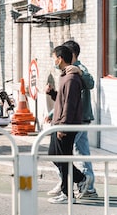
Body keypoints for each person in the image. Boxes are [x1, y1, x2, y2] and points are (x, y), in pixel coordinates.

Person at [46, 40, 97, 198]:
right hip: (66, 120)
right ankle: (78, 182)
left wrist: (63, 125)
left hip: (76, 119)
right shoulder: (66, 74)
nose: (55, 60)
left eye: (56, 57)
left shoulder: (76, 73)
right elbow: (63, 100)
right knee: (63, 154)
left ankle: (78, 185)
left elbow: (71, 102)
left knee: (70, 154)